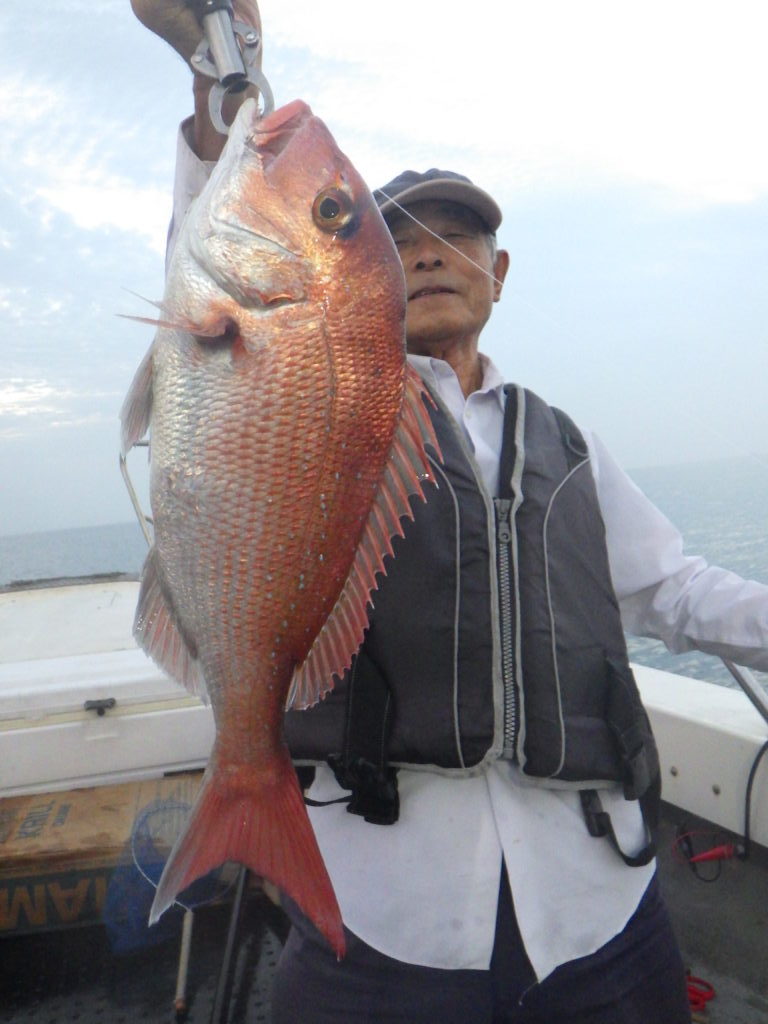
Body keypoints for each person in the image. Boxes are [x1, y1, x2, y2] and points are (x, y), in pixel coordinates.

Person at [131, 4, 768, 1021]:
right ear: (368, 280)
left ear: (497, 274)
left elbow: (677, 590)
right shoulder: (326, 402)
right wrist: (216, 76)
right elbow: (221, 283)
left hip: (601, 907)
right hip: (383, 913)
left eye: (459, 235)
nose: (429, 252)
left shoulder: (567, 443)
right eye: (393, 233)